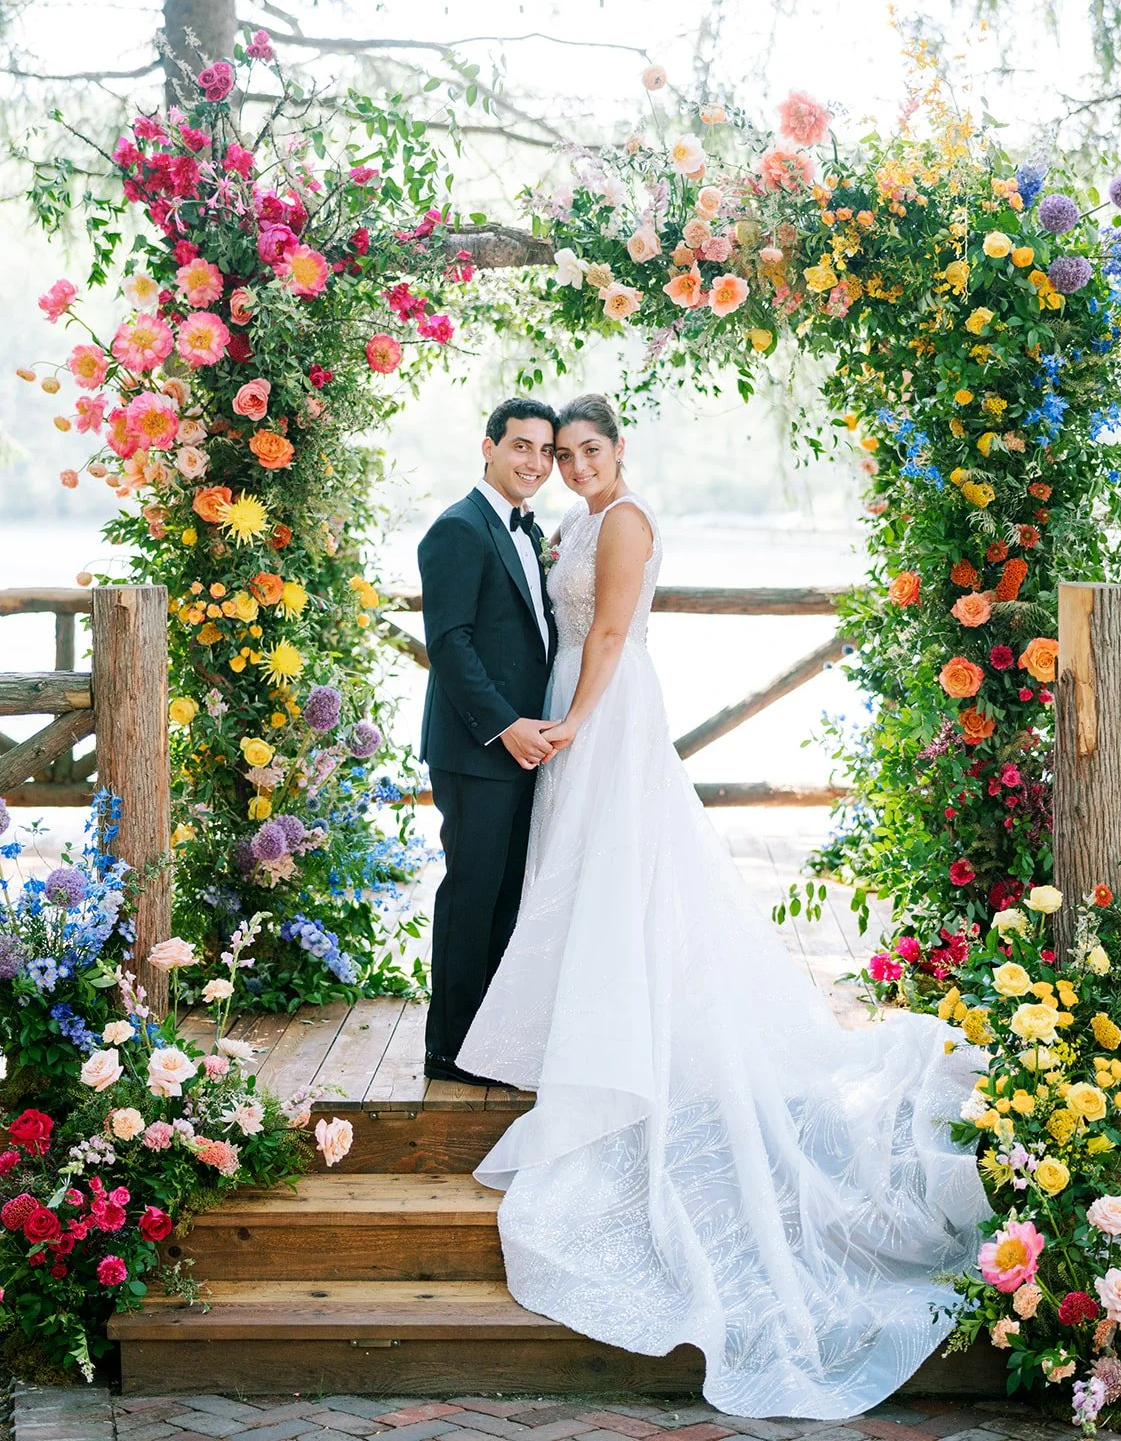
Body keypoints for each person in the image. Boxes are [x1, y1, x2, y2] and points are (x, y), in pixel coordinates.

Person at [457, 392, 991, 1419]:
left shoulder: (623, 520)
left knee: (616, 871)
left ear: (621, 450)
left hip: (604, 706)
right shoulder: (575, 515)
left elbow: (610, 629)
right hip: (584, 701)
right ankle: (603, 1026)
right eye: (562, 454)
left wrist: (571, 722)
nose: (573, 465)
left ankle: (626, 1045)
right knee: (588, 877)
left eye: (587, 450)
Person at [417, 396, 559, 1086]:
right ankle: (448, 1049)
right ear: (489, 447)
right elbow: (449, 643)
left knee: (506, 895)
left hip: (525, 744)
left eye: (544, 451)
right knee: (472, 894)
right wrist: (506, 726)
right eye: (520, 447)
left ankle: (488, 1041)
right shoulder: (458, 529)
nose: (534, 462)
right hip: (478, 748)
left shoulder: (523, 529)